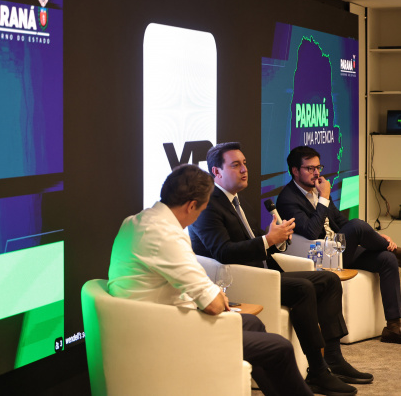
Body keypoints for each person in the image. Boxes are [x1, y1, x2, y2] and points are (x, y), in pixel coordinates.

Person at [108, 164, 313, 396]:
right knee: (279, 347)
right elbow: (213, 305)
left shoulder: (138, 221)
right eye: (202, 209)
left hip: (147, 320)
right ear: (191, 206)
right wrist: (215, 296)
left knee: (252, 322)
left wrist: (213, 294)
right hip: (164, 333)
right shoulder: (165, 235)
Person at [189, 142, 372, 396]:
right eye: (236, 165)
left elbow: (256, 242)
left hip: (264, 271)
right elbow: (223, 252)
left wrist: (277, 239)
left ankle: (333, 357)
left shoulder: (238, 201)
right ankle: (318, 371)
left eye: (245, 164)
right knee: (304, 288)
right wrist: (267, 240)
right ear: (216, 172)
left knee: (328, 280)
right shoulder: (209, 206)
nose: (244, 170)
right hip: (242, 279)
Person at [276, 145, 401, 344]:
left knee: (386, 259)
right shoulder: (287, 199)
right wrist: (324, 198)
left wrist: (374, 237)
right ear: (295, 171)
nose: (316, 173)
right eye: (310, 168)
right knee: (358, 226)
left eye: (318, 167)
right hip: (320, 255)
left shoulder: (317, 190)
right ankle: (396, 252)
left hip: (339, 249)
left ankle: (393, 326)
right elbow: (310, 232)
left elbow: (341, 223)